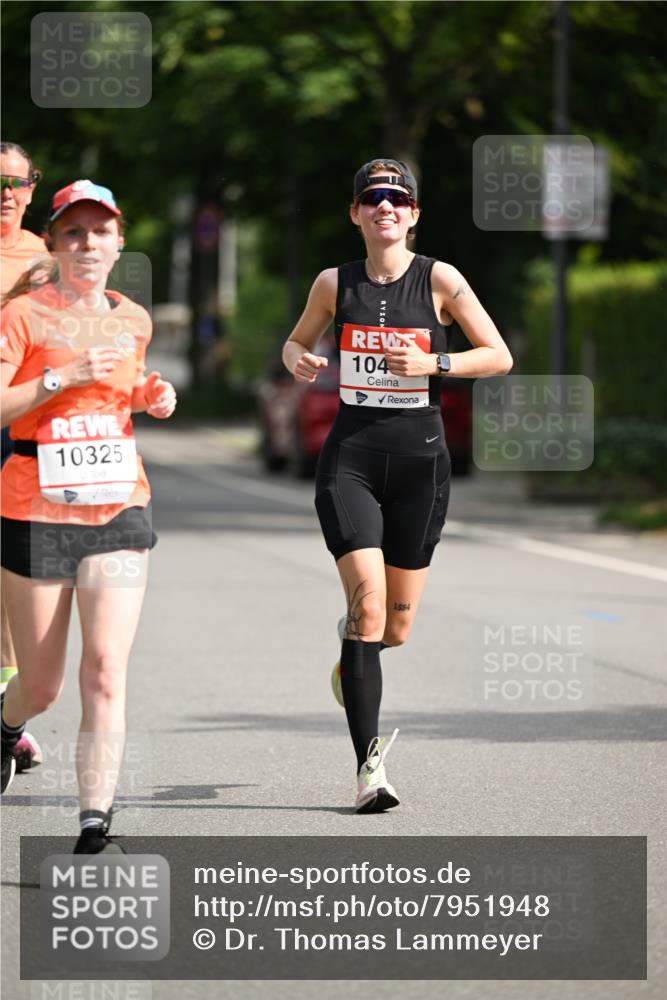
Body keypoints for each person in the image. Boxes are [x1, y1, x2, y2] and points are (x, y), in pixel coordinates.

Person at [283, 158, 513, 813]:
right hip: (349, 461)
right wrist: (296, 357)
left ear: (412, 215)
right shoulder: (334, 283)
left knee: (397, 626)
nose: (384, 207)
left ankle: (355, 654)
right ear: (355, 213)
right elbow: (296, 343)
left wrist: (433, 361)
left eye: (397, 198)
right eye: (372, 198)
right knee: (366, 612)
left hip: (422, 466)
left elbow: (497, 355)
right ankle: (368, 771)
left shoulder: (439, 278)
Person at [0, 179, 177, 854]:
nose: (86, 243)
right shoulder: (22, 317)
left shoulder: (132, 317)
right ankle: (6, 722)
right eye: (73, 231)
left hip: (118, 506)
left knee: (104, 669)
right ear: (54, 242)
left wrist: (150, 393)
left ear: (118, 242)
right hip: (34, 508)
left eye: (99, 231)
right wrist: (61, 376)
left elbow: (125, 388)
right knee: (40, 688)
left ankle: (94, 820)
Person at [0, 141, 49, 772]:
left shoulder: (42, 257)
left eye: (14, 183)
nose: (4, 194)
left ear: (32, 189)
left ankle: (4, 706)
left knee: (9, 564)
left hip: (15, 424)